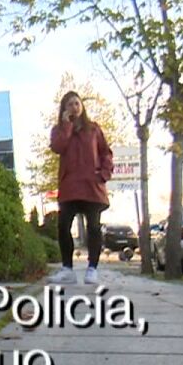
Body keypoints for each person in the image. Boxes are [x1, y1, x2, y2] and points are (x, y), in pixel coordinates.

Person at [48, 91, 114, 284]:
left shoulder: (93, 129)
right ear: (64, 108)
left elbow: (105, 153)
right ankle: (67, 269)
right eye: (69, 104)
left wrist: (103, 174)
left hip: (91, 184)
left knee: (93, 226)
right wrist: (66, 125)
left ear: (82, 106)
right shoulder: (58, 130)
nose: (74, 107)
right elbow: (58, 147)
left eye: (77, 103)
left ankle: (92, 268)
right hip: (69, 185)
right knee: (63, 226)